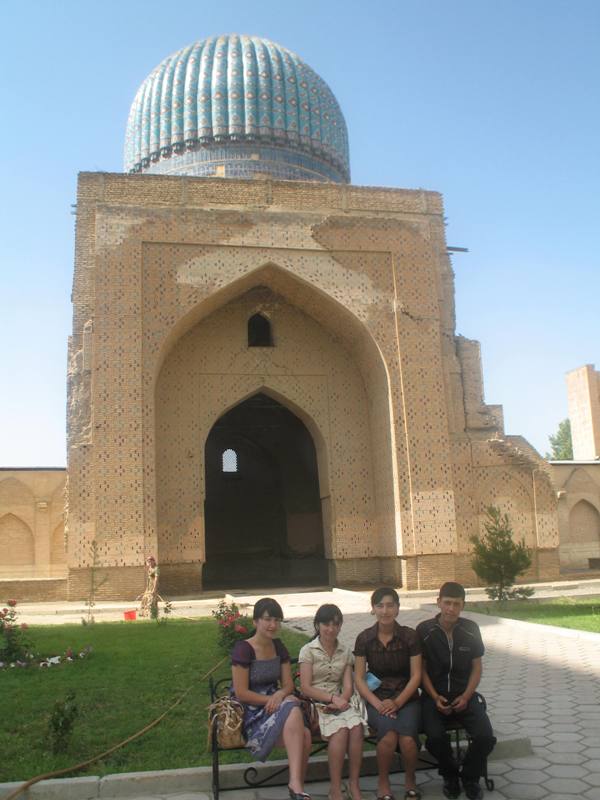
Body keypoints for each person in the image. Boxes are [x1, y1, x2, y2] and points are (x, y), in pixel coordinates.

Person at [416, 582, 496, 800]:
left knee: (485, 737)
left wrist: (466, 696)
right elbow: (420, 670)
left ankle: (470, 777)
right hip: (434, 696)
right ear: (438, 602)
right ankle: (450, 775)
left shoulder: (471, 629)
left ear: (463, 605)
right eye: (447, 603)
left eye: (456, 604)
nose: (451, 609)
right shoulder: (424, 630)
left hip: (465, 695)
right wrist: (434, 696)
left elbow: (477, 667)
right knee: (434, 738)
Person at [231, 597, 312, 800]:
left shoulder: (278, 646)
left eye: (277, 620)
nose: (273, 625)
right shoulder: (244, 649)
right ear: (255, 622)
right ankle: (296, 786)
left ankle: (296, 787)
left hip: (276, 704)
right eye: (268, 619)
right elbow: (241, 692)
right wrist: (273, 700)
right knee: (297, 717)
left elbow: (288, 685)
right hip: (251, 711)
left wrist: (279, 694)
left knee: (304, 731)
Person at [354, 587, 422, 800]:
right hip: (377, 700)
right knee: (388, 738)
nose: (385, 610)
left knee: (408, 740)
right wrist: (378, 703)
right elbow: (358, 678)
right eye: (380, 605)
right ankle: (383, 783)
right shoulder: (364, 638)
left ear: (398, 608)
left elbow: (417, 675)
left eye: (390, 605)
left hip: (406, 698)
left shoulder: (410, 636)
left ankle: (410, 780)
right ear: (373, 609)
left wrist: (398, 702)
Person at [299, 604, 368, 800]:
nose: (331, 629)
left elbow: (347, 686)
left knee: (356, 728)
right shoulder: (308, 650)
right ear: (317, 625)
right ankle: (336, 788)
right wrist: (331, 699)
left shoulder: (345, 651)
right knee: (340, 731)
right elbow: (305, 687)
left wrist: (341, 701)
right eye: (326, 624)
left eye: (335, 624)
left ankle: (354, 784)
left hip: (340, 702)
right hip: (316, 703)